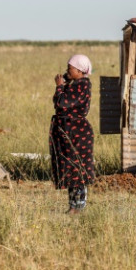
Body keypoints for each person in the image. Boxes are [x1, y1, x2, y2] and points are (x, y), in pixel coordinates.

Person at [49, 54, 95, 212]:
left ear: (80, 71)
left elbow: (61, 103)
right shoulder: (76, 84)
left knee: (77, 170)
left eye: (70, 68)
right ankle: (73, 206)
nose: (67, 71)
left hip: (77, 133)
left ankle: (78, 206)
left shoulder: (81, 85)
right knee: (71, 170)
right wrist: (65, 83)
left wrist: (60, 86)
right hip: (70, 131)